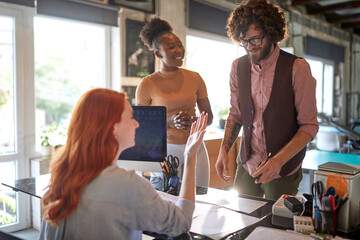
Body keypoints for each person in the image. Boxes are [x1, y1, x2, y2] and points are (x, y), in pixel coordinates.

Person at [39, 88, 208, 239]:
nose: (136, 124)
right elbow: (182, 223)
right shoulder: (128, 185)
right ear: (112, 128)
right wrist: (190, 155)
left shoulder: (63, 174)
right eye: (130, 117)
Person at [215, 0, 319, 200]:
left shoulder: (297, 68)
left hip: (283, 167)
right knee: (243, 221)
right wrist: (224, 151)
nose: (249, 47)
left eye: (255, 40)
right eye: (243, 41)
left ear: (272, 32)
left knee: (277, 225)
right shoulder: (237, 67)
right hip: (247, 163)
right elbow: (236, 114)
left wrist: (278, 161)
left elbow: (309, 126)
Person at [136, 17, 213, 188]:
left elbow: (209, 117)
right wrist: (170, 121)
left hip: (196, 147)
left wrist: (193, 122)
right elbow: (141, 125)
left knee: (200, 199)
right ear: (158, 54)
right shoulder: (147, 84)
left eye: (179, 44)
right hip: (165, 152)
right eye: (171, 47)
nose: (178, 49)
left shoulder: (195, 78)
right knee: (166, 202)